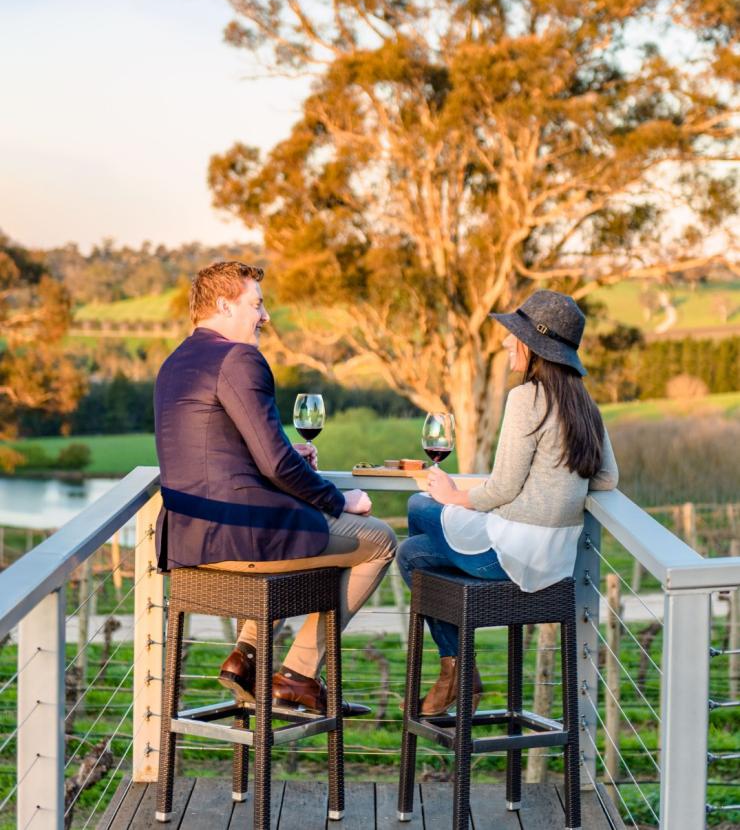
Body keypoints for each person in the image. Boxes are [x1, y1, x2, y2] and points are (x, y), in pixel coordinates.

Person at [154, 261, 397, 716]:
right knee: (379, 541)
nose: (264, 316)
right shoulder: (240, 358)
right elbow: (274, 463)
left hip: (188, 540)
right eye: (257, 304)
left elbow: (228, 451)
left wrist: (289, 460)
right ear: (225, 304)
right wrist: (338, 498)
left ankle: (245, 655)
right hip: (241, 535)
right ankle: (298, 675)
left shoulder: (175, 362)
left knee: (308, 538)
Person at [396, 289, 618, 717]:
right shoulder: (584, 404)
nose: (503, 343)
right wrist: (557, 490)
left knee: (415, 528)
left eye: (511, 336)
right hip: (555, 559)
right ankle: (457, 671)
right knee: (417, 532)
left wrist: (453, 496)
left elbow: (501, 489)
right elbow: (608, 477)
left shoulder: (526, 398)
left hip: (513, 555)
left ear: (534, 347)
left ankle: (457, 668)